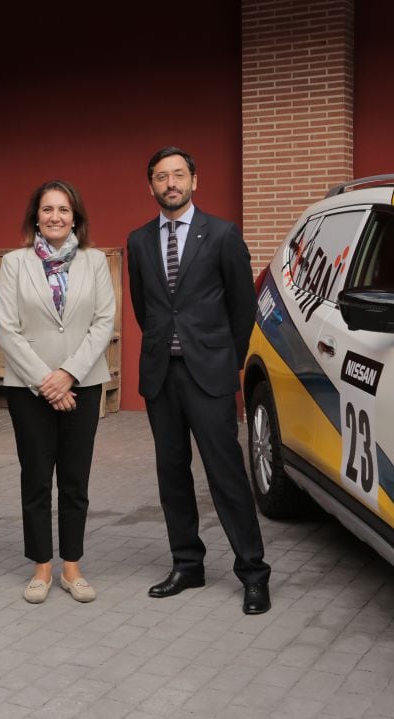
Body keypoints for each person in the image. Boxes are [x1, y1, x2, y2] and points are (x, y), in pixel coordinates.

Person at [126, 147, 272, 615]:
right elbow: (145, 305)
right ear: (150, 186)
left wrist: (223, 358)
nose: (171, 184)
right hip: (160, 376)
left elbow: (243, 306)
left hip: (208, 375)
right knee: (172, 474)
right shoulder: (139, 240)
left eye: (178, 175)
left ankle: (253, 572)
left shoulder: (223, 235)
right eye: (161, 177)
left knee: (226, 475)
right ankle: (187, 564)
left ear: (195, 180)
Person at [0, 180, 115, 604]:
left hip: (83, 384)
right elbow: (6, 329)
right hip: (29, 389)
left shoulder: (95, 261)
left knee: (75, 481)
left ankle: (72, 567)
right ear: (36, 217)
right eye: (47, 209)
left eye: (63, 210)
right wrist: (47, 382)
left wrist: (69, 374)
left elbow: (104, 322)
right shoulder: (14, 263)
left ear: (76, 217)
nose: (55, 217)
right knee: (36, 479)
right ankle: (42, 567)